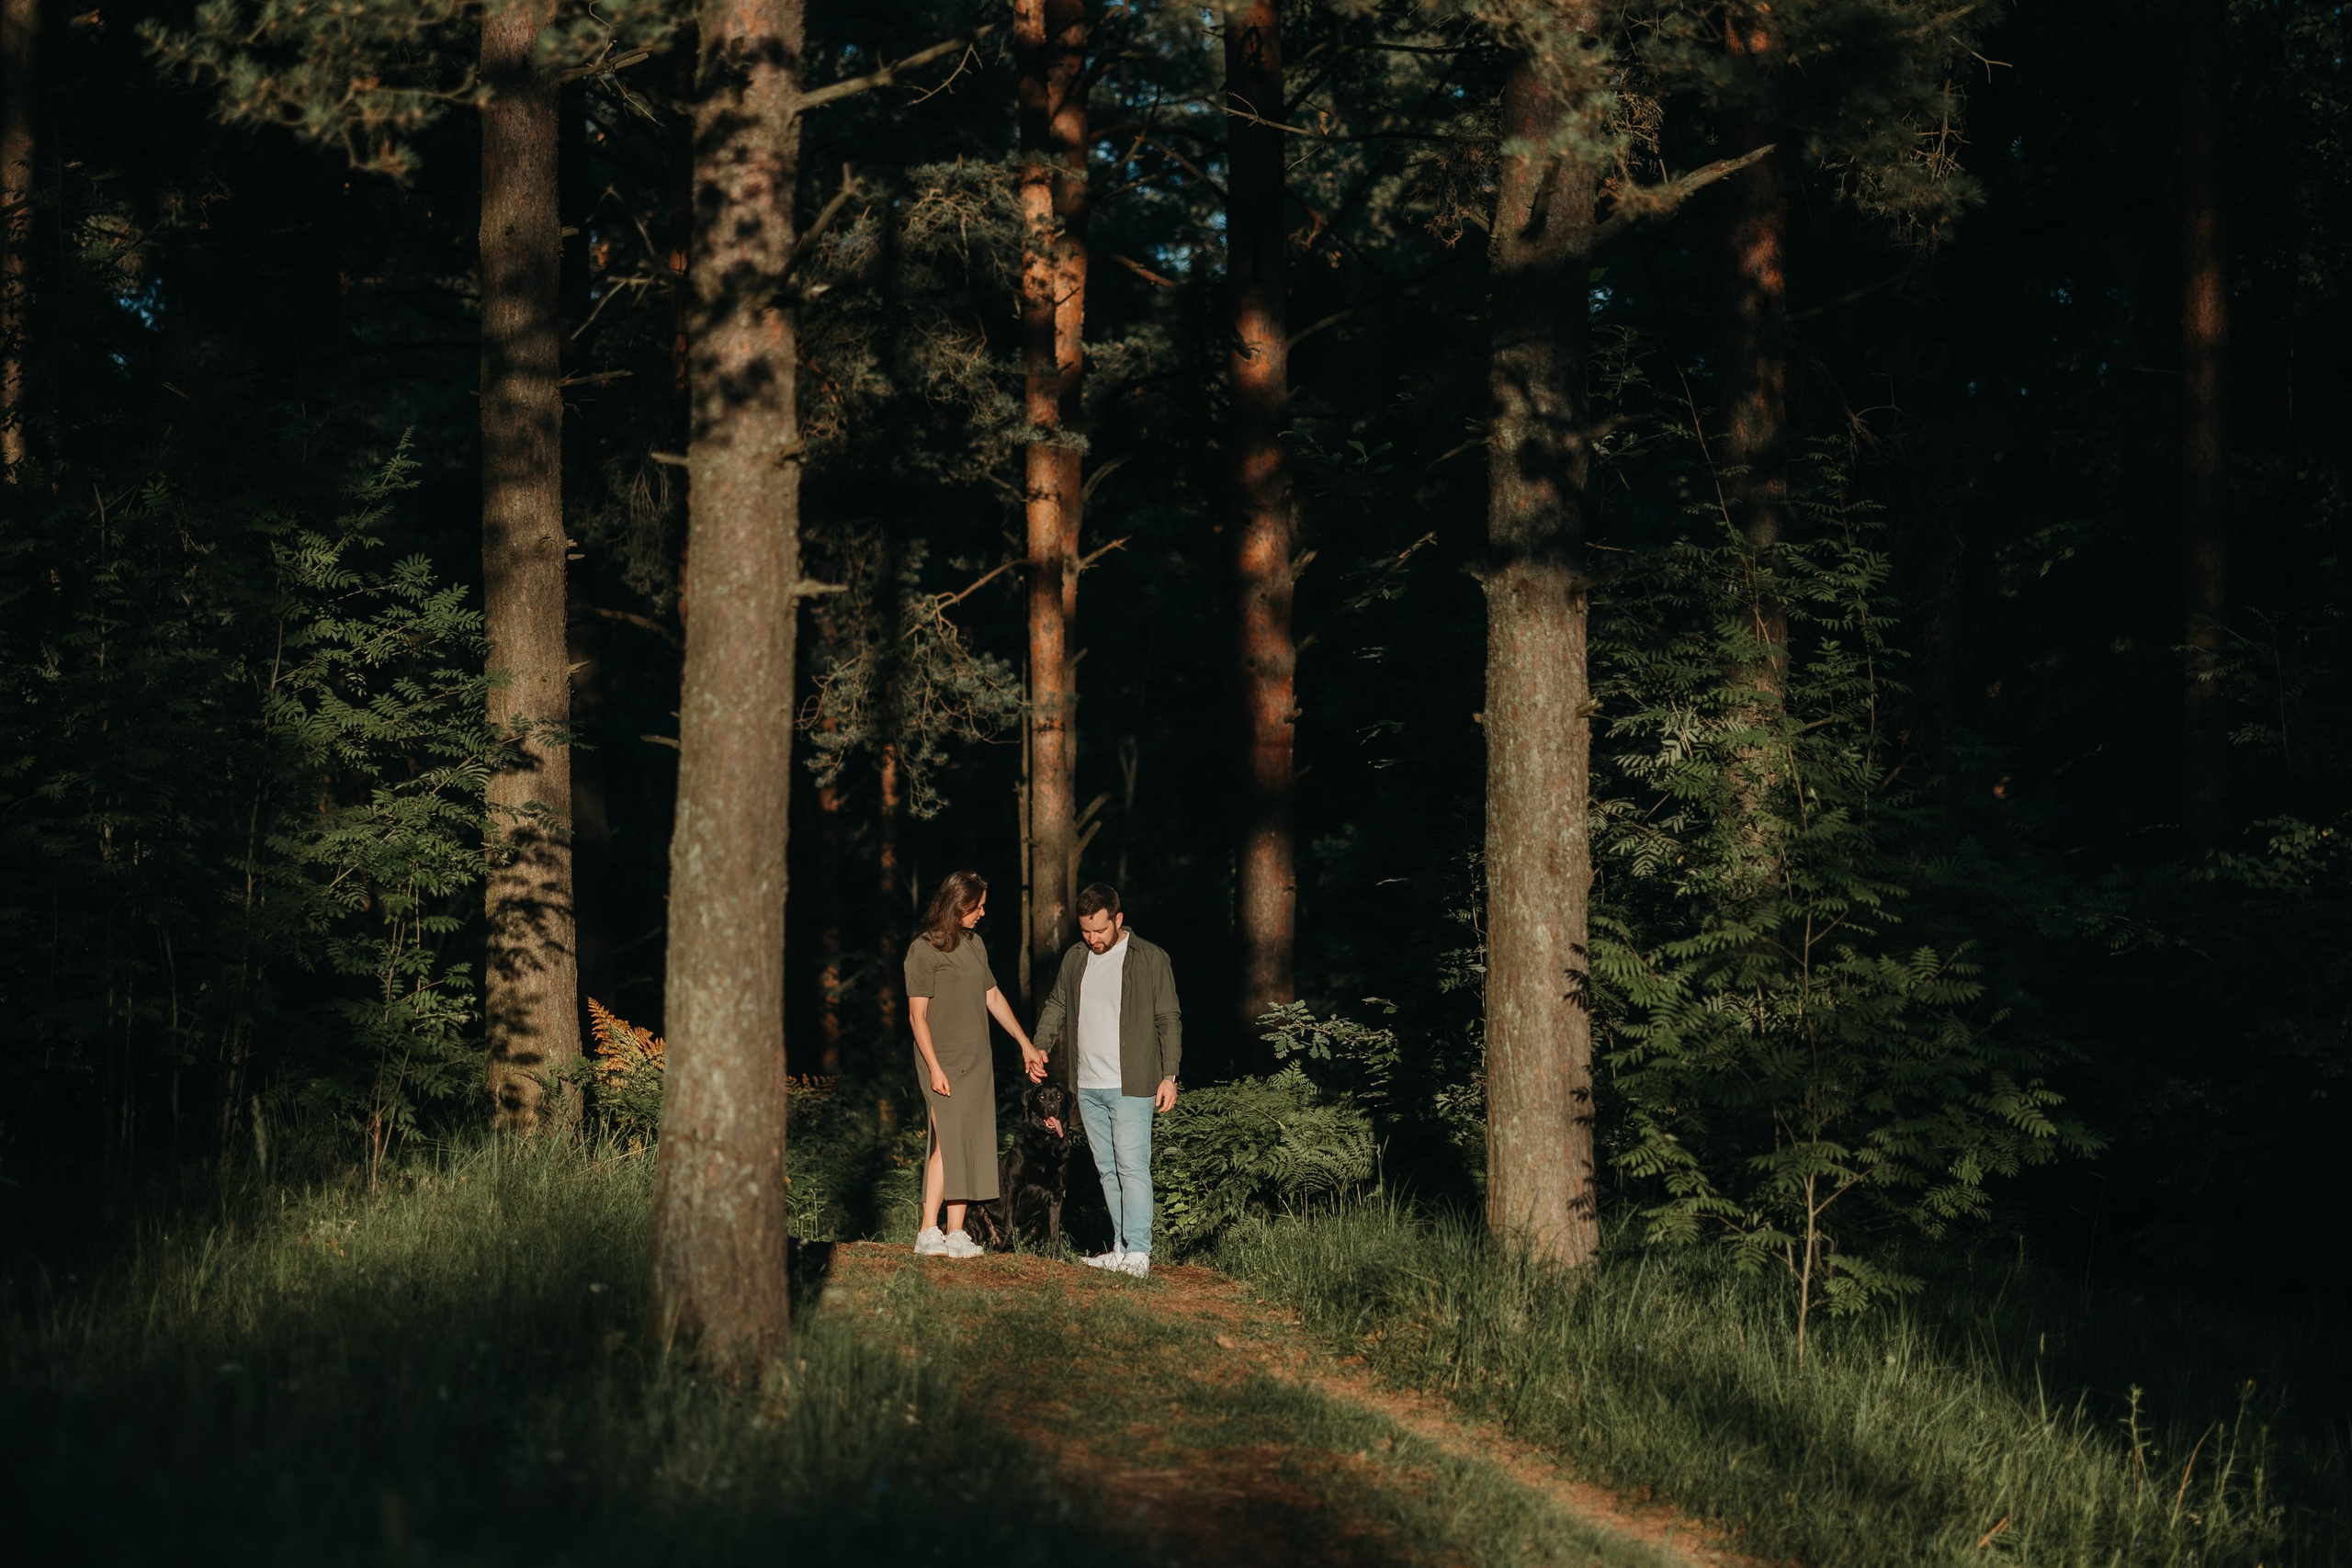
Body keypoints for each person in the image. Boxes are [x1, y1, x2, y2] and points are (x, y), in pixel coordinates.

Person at [1031, 882, 1181, 1278]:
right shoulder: (1076, 958)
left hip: (1132, 1082)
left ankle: (1140, 1252)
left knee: (1132, 1167)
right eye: (1086, 931)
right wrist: (1040, 1045)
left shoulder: (1150, 958)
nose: (1093, 938)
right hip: (1088, 1085)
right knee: (1108, 1170)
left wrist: (1169, 1075)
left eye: (1099, 930)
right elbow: (1057, 1004)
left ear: (1118, 919)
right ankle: (1121, 1247)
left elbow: (1168, 1018)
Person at [905, 870, 1046, 1258]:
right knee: (948, 1142)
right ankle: (927, 1230)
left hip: (976, 1060)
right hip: (941, 1060)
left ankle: (955, 1232)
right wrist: (934, 1067)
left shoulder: (975, 944)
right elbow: (917, 1017)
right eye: (977, 906)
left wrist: (1025, 1043)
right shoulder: (923, 950)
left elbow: (993, 996)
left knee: (969, 1141)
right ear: (957, 905)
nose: (982, 913)